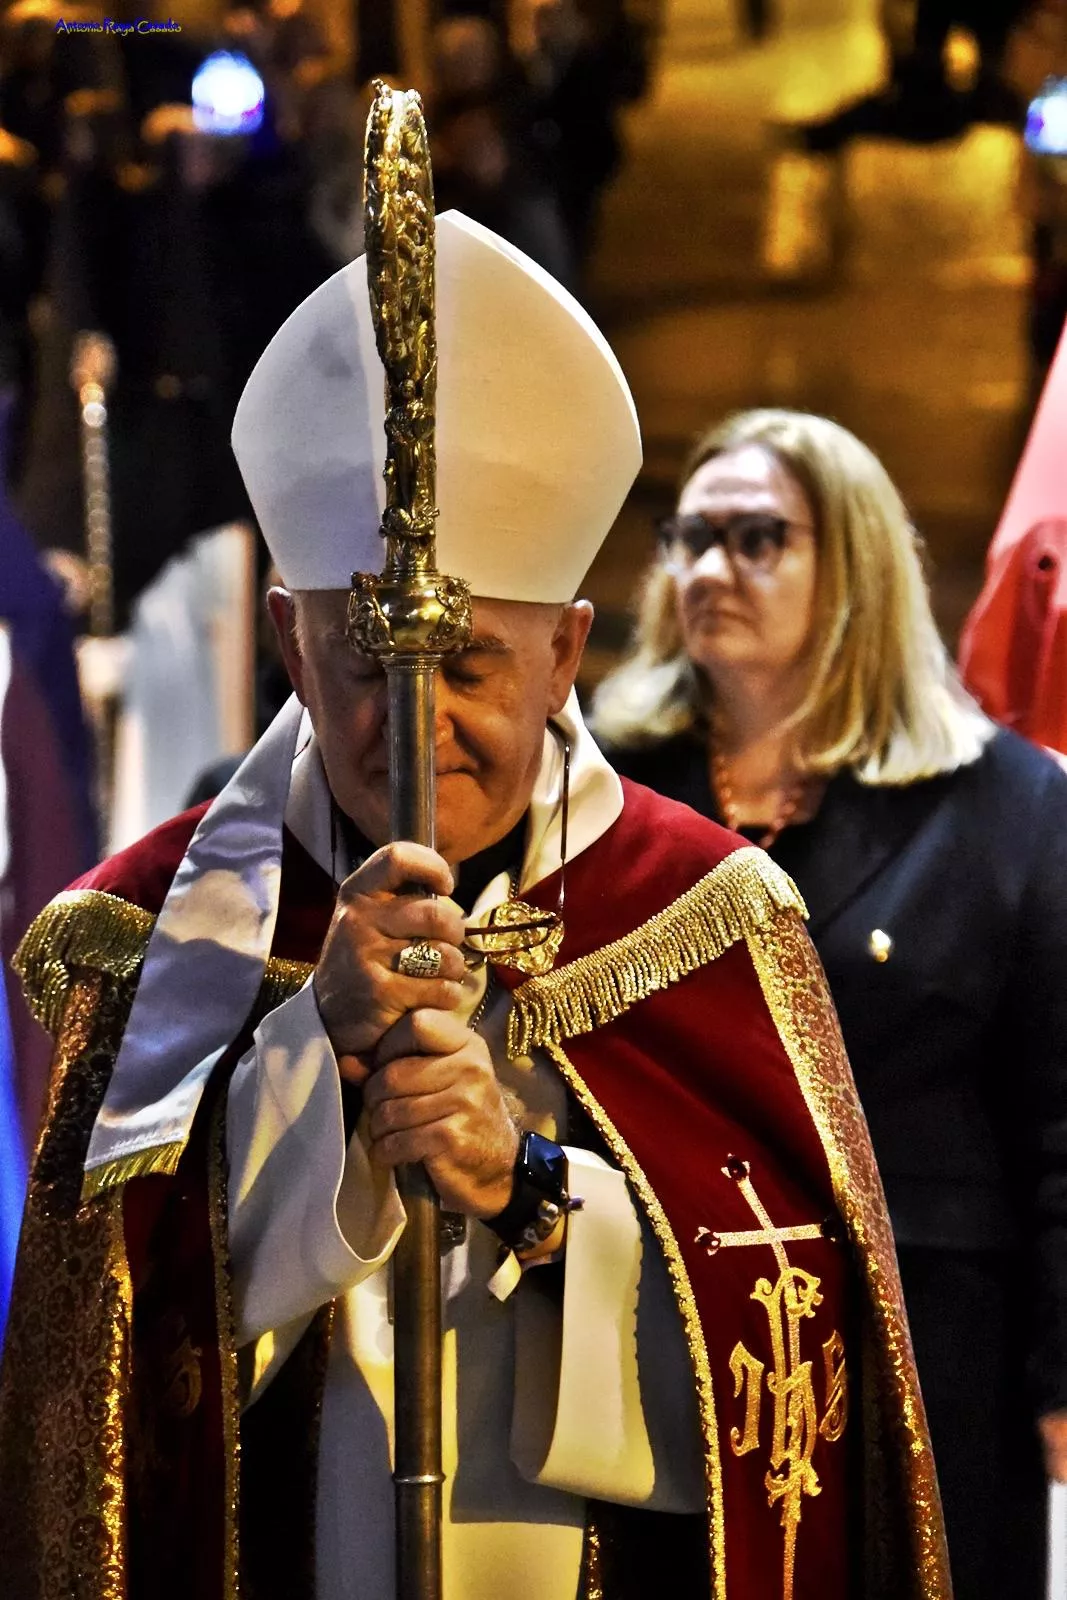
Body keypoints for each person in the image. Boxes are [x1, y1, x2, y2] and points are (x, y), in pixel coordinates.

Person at [0, 224, 948, 1599]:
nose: (413, 720)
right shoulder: (150, 938)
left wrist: (536, 1193)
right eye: (362, 662)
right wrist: (306, 1064)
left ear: (568, 650)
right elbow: (89, 1387)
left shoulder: (708, 920)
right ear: (284, 640)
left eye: (470, 665)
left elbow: (803, 1390)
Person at [592, 406, 1067, 1600]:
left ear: (850, 564)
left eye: (757, 539)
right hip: (652, 1333)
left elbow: (1060, 1112)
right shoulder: (599, 784)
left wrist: (1062, 1372)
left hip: (923, 1347)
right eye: (688, 536)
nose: (708, 569)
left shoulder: (1004, 807)